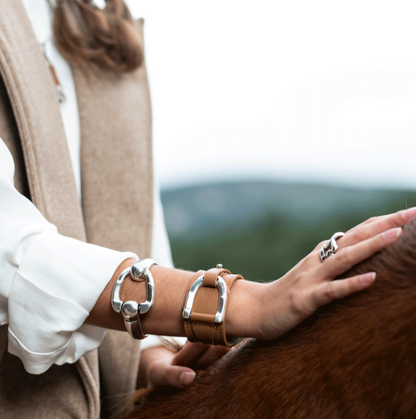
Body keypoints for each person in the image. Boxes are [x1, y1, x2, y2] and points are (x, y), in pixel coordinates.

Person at [0, 0, 412, 418]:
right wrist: (243, 304)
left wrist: (148, 354)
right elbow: (10, 245)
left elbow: (134, 236)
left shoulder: (103, 20)